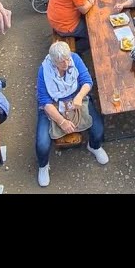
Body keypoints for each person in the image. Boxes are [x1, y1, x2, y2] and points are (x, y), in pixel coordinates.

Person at [35, 41, 108, 187]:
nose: (67, 64)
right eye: (62, 62)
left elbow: (87, 81)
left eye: (68, 59)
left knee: (98, 130)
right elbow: (44, 101)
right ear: (54, 61)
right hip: (54, 105)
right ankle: (43, 166)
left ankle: (93, 146)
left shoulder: (74, 58)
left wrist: (79, 97)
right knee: (42, 143)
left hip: (75, 98)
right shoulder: (44, 71)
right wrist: (62, 121)